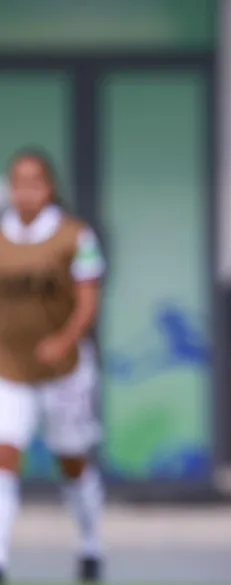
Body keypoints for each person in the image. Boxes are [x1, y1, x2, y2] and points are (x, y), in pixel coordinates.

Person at [0, 149, 106, 583]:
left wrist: (62, 340)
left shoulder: (74, 237)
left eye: (34, 181)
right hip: (10, 370)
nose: (25, 190)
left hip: (64, 371)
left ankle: (89, 543)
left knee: (72, 461)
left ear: (50, 186)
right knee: (5, 457)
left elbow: (87, 301)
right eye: (17, 181)